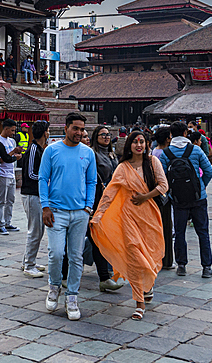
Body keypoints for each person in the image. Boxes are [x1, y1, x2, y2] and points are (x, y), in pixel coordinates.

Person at [91, 129, 168, 321]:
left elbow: (163, 186)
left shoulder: (153, 163)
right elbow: (110, 192)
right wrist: (98, 215)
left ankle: (148, 285)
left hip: (149, 216)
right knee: (134, 255)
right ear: (129, 145)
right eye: (135, 142)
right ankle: (139, 302)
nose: (139, 145)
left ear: (147, 144)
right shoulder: (123, 167)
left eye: (142, 141)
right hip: (128, 217)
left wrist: (145, 197)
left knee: (149, 255)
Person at [39, 111, 95, 321]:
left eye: (82, 129)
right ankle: (54, 286)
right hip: (56, 211)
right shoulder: (52, 151)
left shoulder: (87, 153)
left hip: (80, 212)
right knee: (56, 253)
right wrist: (45, 206)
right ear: (66, 128)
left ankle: (72, 296)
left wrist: (88, 206)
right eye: (75, 128)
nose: (79, 132)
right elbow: (43, 179)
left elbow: (91, 181)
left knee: (76, 256)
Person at [160, 120, 212, 278]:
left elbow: (162, 178)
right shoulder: (195, 150)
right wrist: (201, 187)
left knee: (180, 232)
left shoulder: (166, 153)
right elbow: (209, 171)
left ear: (171, 135)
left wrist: (171, 191)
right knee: (203, 232)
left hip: (178, 199)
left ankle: (181, 265)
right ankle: (206, 267)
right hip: (198, 198)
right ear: (185, 134)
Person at [89, 125, 122, 292]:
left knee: (106, 236)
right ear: (96, 136)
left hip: (111, 199)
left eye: (108, 134)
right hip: (96, 200)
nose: (106, 137)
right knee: (94, 237)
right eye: (103, 135)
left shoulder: (111, 153)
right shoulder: (92, 154)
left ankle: (107, 272)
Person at [19, 120, 50, 278]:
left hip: (37, 194)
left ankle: (28, 260)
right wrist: (46, 180)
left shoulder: (40, 149)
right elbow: (30, 173)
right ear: (45, 133)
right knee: (35, 230)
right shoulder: (32, 149)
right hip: (31, 194)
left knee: (38, 230)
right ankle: (29, 265)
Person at [151, 126, 175, 270]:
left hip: (154, 194)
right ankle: (166, 259)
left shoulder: (153, 153)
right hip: (164, 194)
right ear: (167, 139)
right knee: (166, 226)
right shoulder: (166, 154)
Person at [0, 120, 20, 234]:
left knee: (10, 200)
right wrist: (12, 152)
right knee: (1, 200)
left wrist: (17, 153)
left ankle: (7, 222)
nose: (13, 133)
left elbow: (12, 156)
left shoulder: (12, 141)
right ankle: (0, 224)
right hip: (2, 173)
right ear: (6, 129)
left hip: (11, 173)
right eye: (12, 130)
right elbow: (0, 159)